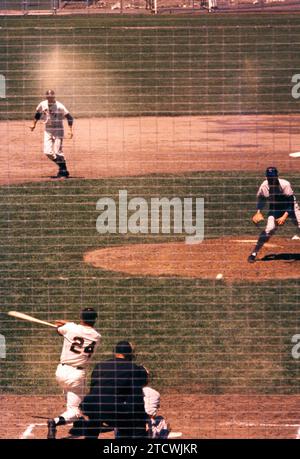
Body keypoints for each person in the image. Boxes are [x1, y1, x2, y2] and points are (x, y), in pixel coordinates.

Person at [47, 308, 101, 439]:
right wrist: (68, 325)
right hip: (76, 376)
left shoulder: (71, 327)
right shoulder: (97, 336)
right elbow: (80, 331)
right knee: (77, 411)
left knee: (70, 397)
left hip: (61, 371)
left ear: (81, 317)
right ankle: (54, 422)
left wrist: (65, 325)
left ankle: (78, 425)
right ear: (94, 319)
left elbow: (59, 330)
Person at [81, 341, 148, 439]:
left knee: (95, 418)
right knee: (136, 422)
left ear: (115, 352)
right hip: (111, 409)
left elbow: (93, 390)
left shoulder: (99, 366)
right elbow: (136, 398)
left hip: (90, 405)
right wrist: (142, 416)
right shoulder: (133, 368)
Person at [248, 166, 300, 263]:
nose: (271, 179)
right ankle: (254, 253)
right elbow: (261, 199)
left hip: (291, 206)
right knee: (269, 229)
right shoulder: (264, 186)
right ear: (266, 177)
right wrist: (258, 212)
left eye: (273, 177)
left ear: (277, 176)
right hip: (275, 208)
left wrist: (284, 216)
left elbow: (290, 203)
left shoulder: (285, 185)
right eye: (269, 177)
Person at [30, 89, 73, 178]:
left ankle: (63, 171)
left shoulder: (60, 106)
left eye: (51, 97)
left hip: (58, 129)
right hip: (48, 130)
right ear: (46, 97)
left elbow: (69, 117)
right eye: (48, 97)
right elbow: (37, 114)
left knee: (58, 151)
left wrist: (70, 130)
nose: (50, 99)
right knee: (48, 152)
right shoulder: (42, 104)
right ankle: (63, 168)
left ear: (54, 97)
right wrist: (33, 124)